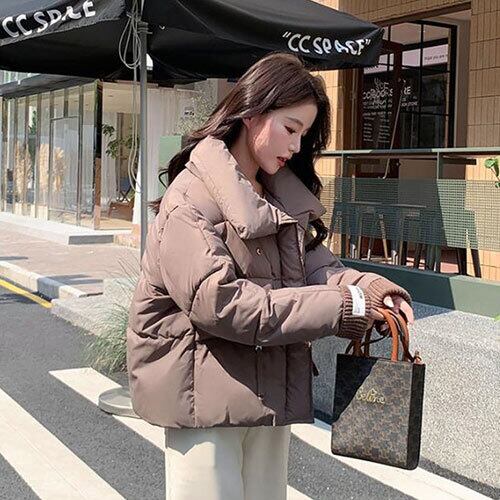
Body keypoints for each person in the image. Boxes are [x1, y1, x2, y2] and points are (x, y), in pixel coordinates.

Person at [127, 52, 414, 500]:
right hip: (203, 399)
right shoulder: (189, 201)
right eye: (290, 128)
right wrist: (345, 307)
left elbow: (319, 268)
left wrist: (371, 291)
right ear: (252, 113)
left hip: (267, 393)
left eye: (304, 134)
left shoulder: (277, 195)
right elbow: (222, 305)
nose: (297, 146)